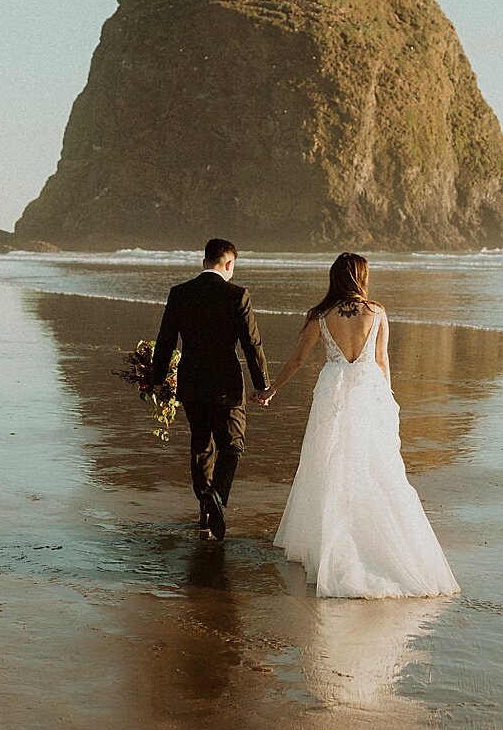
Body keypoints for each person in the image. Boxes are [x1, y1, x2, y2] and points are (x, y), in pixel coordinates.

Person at [254, 253, 459, 598]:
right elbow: (382, 360)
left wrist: (272, 388)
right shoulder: (376, 312)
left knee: (329, 465)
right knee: (372, 466)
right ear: (361, 277)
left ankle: (328, 544)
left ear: (334, 278)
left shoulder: (320, 315)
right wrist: (388, 399)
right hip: (367, 390)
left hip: (332, 390)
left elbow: (300, 358)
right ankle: (374, 541)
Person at [150, 238, 269, 540]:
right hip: (226, 383)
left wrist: (157, 378)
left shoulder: (180, 294)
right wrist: (262, 385)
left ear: (205, 261)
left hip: (190, 382)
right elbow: (251, 344)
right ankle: (216, 495)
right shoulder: (237, 295)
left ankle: (205, 514)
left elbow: (165, 341)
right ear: (229, 263)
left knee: (202, 444)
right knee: (232, 445)